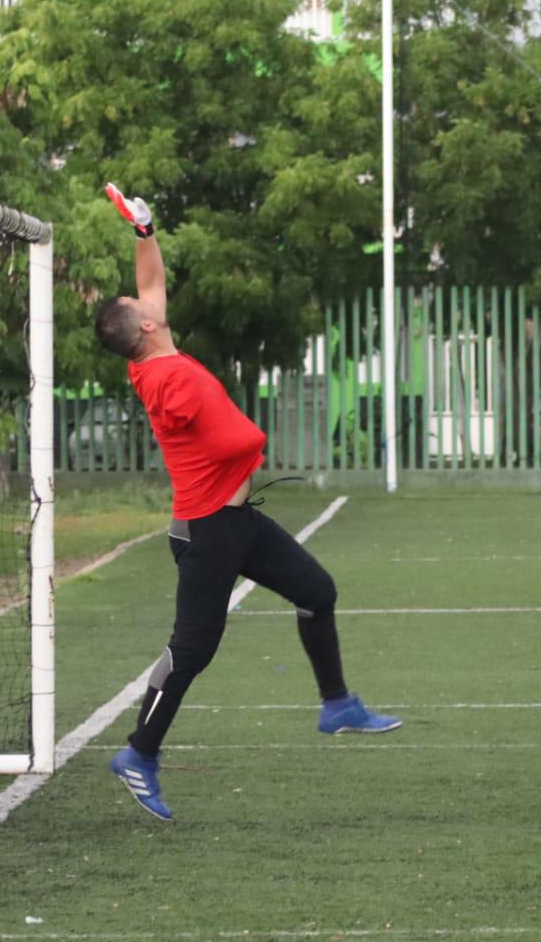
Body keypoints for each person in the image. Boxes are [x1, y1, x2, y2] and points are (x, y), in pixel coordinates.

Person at [92, 184, 401, 822]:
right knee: (192, 649)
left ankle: (337, 705)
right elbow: (225, 433)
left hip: (236, 520)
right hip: (206, 530)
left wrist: (144, 231)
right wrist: (251, 440)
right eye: (143, 307)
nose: (150, 300)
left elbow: (150, 283)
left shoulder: (156, 351)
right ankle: (139, 753)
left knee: (317, 591)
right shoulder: (167, 378)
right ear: (145, 327)